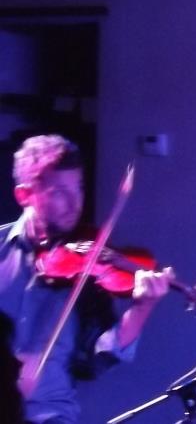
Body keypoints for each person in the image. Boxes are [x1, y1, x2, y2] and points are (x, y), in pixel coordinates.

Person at [0, 134, 173, 423]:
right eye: (59, 192)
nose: (75, 203)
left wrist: (142, 308)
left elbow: (96, 362)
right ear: (24, 195)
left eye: (78, 188)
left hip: (50, 416)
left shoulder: (89, 269)